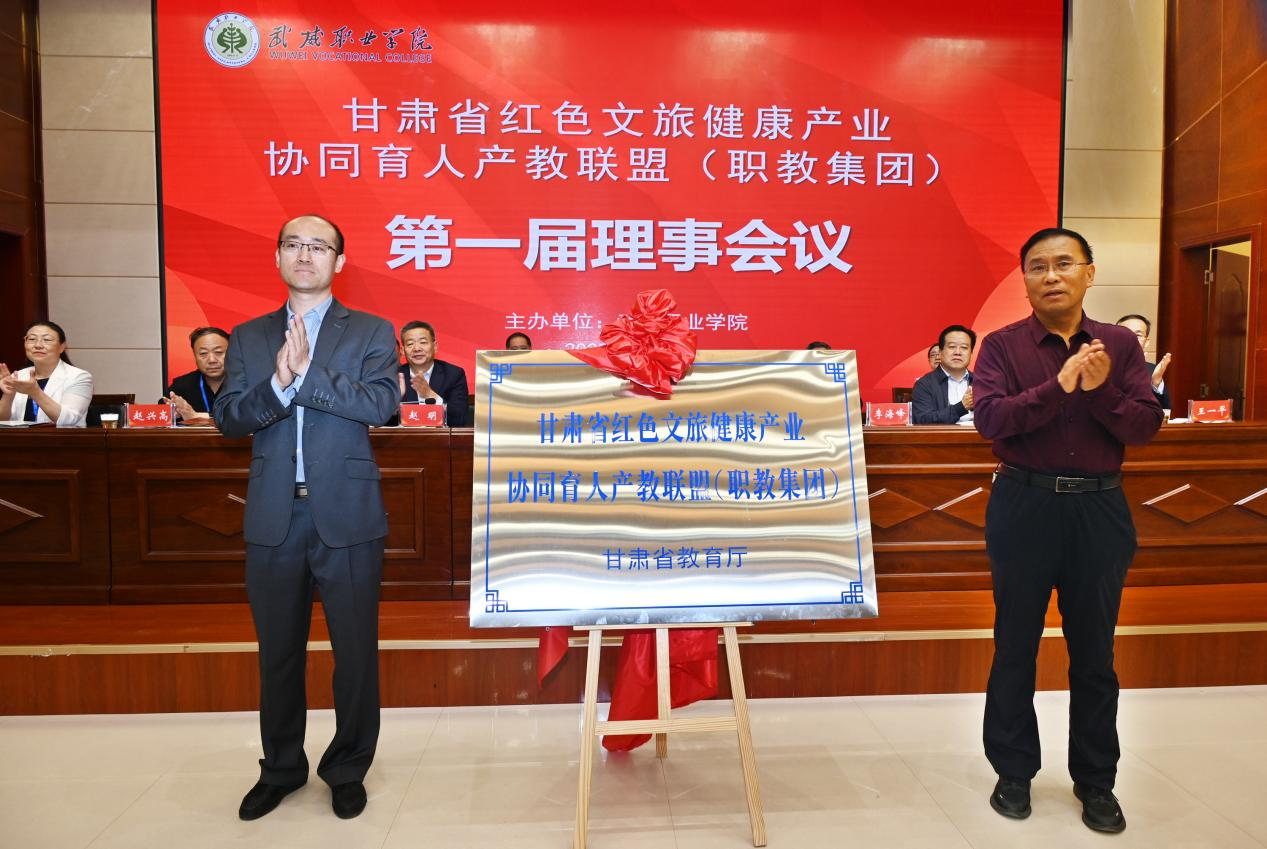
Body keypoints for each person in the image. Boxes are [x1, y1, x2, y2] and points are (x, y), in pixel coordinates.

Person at [974, 227, 1162, 834]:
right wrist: (1056, 388)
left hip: (1099, 510)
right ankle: (1013, 772)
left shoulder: (1119, 346)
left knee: (1095, 654)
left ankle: (1096, 781)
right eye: (1037, 266)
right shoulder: (1001, 346)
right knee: (1015, 646)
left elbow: (1144, 427)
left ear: (1089, 273)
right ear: (1024, 279)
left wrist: (1100, 390)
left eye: (1063, 263)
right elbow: (991, 420)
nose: (1051, 276)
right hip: (1023, 505)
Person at [213, 215, 398, 822]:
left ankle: (347, 768)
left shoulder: (370, 330)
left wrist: (309, 373)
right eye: (293, 244)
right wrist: (278, 380)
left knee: (355, 653)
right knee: (278, 653)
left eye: (319, 247)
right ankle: (281, 769)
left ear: (339, 262)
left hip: (347, 515)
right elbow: (230, 418)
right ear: (277, 257)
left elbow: (382, 405)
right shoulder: (248, 336)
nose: (305, 255)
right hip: (274, 515)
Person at [1, 320, 93, 427]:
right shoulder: (18, 376)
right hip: (20, 437)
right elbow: (3, 420)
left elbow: (69, 420)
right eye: (32, 339)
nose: (38, 345)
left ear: (62, 347)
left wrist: (35, 393)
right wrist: (9, 395)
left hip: (61, 437)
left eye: (47, 340)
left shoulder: (79, 377)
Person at [398, 321, 469, 426]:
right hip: (404, 436)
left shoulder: (453, 374)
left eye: (423, 342)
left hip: (440, 436)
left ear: (435, 346)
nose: (416, 348)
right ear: (403, 350)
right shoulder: (394, 376)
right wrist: (394, 400)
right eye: (410, 344)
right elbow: (378, 420)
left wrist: (430, 395)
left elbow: (460, 419)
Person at [912, 324, 976, 424]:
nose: (957, 352)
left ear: (971, 354)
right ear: (940, 352)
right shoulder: (924, 384)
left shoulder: (982, 382)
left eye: (964, 347)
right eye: (952, 347)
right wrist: (961, 407)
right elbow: (922, 420)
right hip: (942, 434)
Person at [163, 326, 230, 421]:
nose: (212, 360)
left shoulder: (247, 384)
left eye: (218, 352)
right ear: (194, 356)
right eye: (203, 353)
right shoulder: (182, 386)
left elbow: (247, 416)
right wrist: (172, 412)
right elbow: (161, 412)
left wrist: (195, 416)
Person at [1116, 314, 1171, 409]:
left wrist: (1156, 383)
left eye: (1138, 335)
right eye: (1125, 333)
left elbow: (1165, 410)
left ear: (1146, 342)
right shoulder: (1102, 367)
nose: (1131, 339)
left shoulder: (1152, 370)